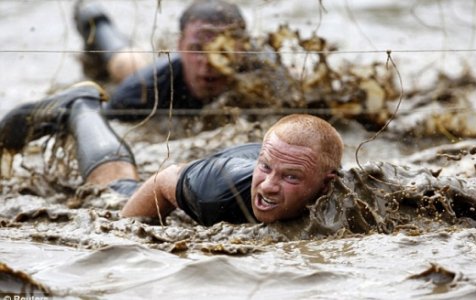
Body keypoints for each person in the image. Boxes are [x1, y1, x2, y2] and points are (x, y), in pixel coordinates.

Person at [0, 82, 344, 225]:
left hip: (269, 156)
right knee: (112, 188)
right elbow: (164, 180)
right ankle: (80, 108)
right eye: (266, 169)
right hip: (196, 176)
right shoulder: (218, 193)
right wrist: (124, 232)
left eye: (291, 177)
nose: (268, 186)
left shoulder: (352, 196)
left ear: (327, 184)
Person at [74, 0, 248, 121]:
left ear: (244, 48)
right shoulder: (144, 87)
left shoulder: (262, 75)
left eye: (223, 51)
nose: (209, 62)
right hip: (145, 72)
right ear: (179, 46)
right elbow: (100, 120)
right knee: (127, 64)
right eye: (197, 49)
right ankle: (96, 20)